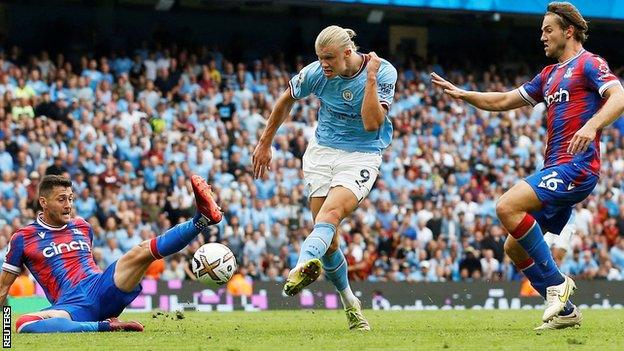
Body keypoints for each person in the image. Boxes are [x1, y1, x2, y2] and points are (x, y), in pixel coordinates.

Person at [431, 1, 624, 330]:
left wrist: (591, 126)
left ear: (569, 31)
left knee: (506, 206)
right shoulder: (548, 75)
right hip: (556, 169)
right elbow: (505, 100)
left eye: (548, 30)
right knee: (514, 248)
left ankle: (557, 284)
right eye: (541, 32)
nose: (542, 37)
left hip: (577, 167)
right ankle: (565, 313)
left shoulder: (590, 64)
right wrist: (465, 94)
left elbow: (619, 96)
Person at [252, 25, 397, 331]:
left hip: (361, 154)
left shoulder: (382, 73)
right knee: (328, 241)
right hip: (321, 152)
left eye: (329, 57)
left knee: (330, 215)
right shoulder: (316, 73)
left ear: (348, 53)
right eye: (320, 57)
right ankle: (351, 305)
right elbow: (286, 99)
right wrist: (265, 142)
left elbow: (372, 123)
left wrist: (369, 78)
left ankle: (300, 265)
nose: (324, 64)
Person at [0, 174, 222, 333]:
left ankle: (201, 220)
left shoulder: (82, 226)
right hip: (70, 307)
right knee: (23, 323)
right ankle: (105, 326)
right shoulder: (23, 238)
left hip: (101, 287)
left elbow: (85, 265)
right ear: (43, 202)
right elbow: (3, 290)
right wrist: (4, 329)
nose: (69, 205)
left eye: (70, 198)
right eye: (61, 199)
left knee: (141, 251)